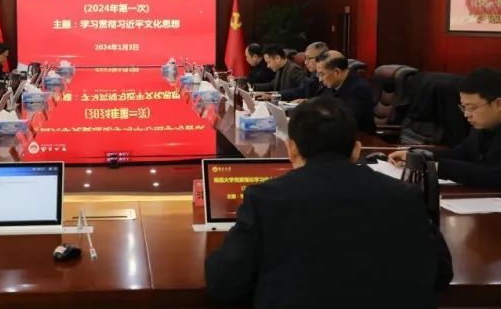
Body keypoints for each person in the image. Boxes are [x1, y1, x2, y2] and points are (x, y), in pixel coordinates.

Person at [205, 97, 452, 309]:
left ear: (291, 149)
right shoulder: (405, 196)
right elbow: (441, 274)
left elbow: (225, 284)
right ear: (356, 150)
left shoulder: (265, 199)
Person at [389, 68, 501, 189]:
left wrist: (437, 168)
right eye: (464, 107)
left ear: (498, 104)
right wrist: (420, 157)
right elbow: (464, 152)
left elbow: (496, 176)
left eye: (471, 107)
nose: (466, 114)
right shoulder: (483, 125)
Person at [316, 50, 376, 134]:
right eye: (318, 74)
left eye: (322, 74)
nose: (320, 79)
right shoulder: (329, 86)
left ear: (336, 72)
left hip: (358, 138)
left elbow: (347, 120)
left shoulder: (360, 89)